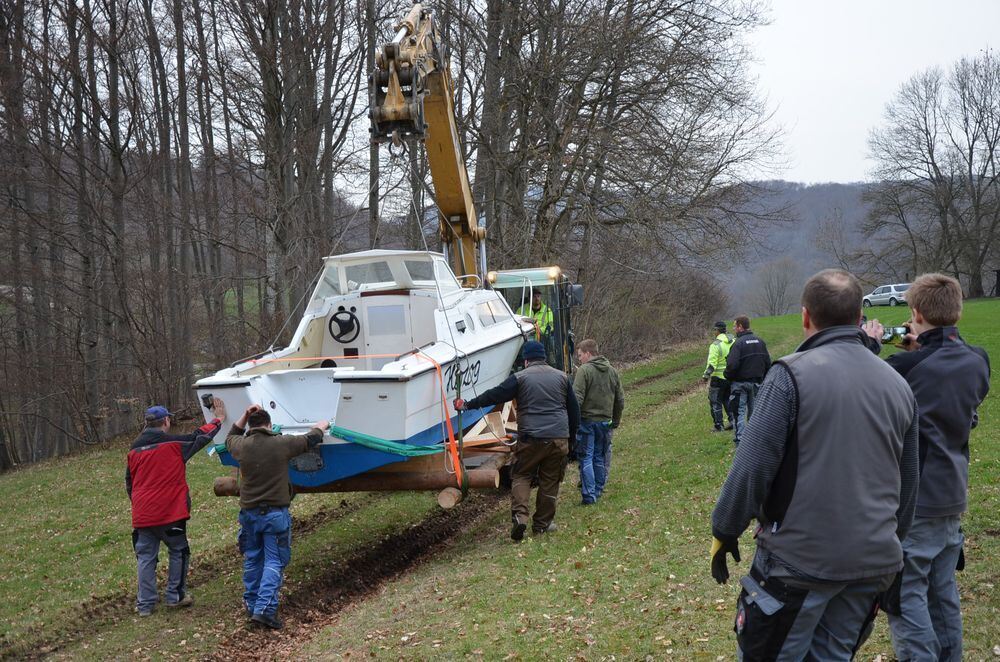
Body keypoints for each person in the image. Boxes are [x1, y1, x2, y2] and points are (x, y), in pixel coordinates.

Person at [710, 269, 919, 659]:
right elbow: (908, 481)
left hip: (799, 563)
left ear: (806, 316)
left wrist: (724, 528)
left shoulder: (790, 375)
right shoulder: (898, 385)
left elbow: (752, 467)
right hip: (873, 563)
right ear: (861, 317)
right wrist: (894, 542)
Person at [865, 274, 989, 662]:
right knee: (942, 592)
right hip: (952, 493)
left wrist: (869, 346)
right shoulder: (977, 360)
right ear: (958, 310)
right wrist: (925, 344)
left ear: (914, 313)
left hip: (914, 499)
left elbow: (861, 385)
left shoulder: (904, 366)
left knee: (905, 597)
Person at [454, 340, 579, 540]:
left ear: (526, 360)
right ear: (544, 357)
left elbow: (494, 395)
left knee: (522, 475)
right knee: (550, 480)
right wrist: (572, 439)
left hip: (531, 438)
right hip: (558, 438)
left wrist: (467, 405)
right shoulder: (563, 377)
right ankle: (542, 525)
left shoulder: (520, 378)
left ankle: (520, 518)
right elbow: (574, 411)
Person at [225, 405, 329, 630]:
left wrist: (243, 414)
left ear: (251, 427)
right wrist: (321, 426)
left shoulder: (241, 446)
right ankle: (264, 610)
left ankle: (252, 605)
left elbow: (230, 436)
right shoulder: (281, 444)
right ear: (270, 425)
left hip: (249, 515)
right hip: (274, 515)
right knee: (274, 561)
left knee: (253, 559)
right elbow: (309, 440)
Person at [126, 400, 227, 616]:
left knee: (145, 557)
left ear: (147, 424)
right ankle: (175, 596)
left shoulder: (133, 451)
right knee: (179, 551)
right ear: (166, 421)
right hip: (170, 513)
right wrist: (218, 419)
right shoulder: (173, 444)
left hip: (143, 516)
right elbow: (199, 437)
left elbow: (129, 483)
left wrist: (139, 505)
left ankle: (145, 605)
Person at [573, 339, 625, 505]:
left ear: (588, 353)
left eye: (580, 355)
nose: (579, 359)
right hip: (606, 422)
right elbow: (620, 400)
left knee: (586, 457)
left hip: (587, 422)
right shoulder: (612, 371)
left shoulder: (584, 371)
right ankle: (598, 489)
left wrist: (572, 421)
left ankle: (589, 495)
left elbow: (577, 398)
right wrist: (615, 421)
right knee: (599, 457)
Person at [724, 315, 771, 445]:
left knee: (739, 413)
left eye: (735, 326)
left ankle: (740, 442)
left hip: (740, 384)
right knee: (755, 412)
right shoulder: (760, 342)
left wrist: (727, 376)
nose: (734, 329)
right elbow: (768, 363)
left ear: (740, 327)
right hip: (757, 383)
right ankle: (755, 441)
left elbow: (732, 365)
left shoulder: (738, 344)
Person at [702, 321, 735, 432]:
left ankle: (718, 425)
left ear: (717, 331)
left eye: (714, 330)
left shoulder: (715, 345)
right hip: (731, 377)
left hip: (718, 378)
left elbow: (712, 364)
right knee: (728, 399)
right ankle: (733, 421)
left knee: (715, 402)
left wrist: (706, 376)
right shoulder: (733, 341)